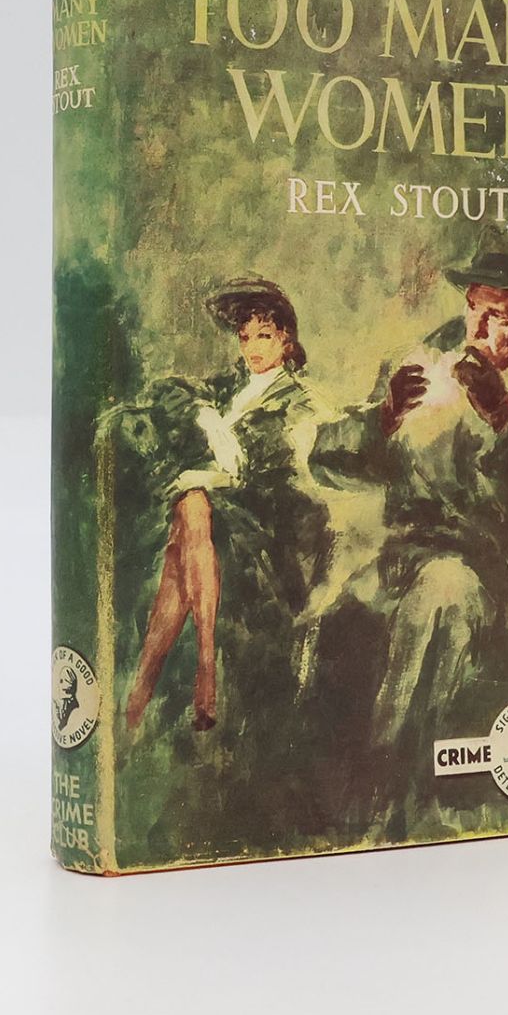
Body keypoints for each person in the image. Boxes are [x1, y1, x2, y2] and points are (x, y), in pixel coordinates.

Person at [308, 229, 508, 778]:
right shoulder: (425, 367)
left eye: (497, 316)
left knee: (439, 599)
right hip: (402, 560)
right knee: (342, 620)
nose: (477, 328)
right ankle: (313, 786)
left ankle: (391, 778)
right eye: (474, 308)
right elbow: (325, 459)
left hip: (487, 578)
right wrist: (383, 419)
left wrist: (504, 424)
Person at [121, 278, 330, 732]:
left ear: (287, 340)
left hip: (262, 524)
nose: (253, 347)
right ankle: (177, 678)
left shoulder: (300, 401)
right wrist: (206, 414)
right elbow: (166, 392)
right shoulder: (227, 387)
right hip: (209, 522)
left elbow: (269, 473)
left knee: (191, 506)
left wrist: (205, 476)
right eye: (245, 336)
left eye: (264, 336)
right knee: (188, 519)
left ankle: (173, 676)